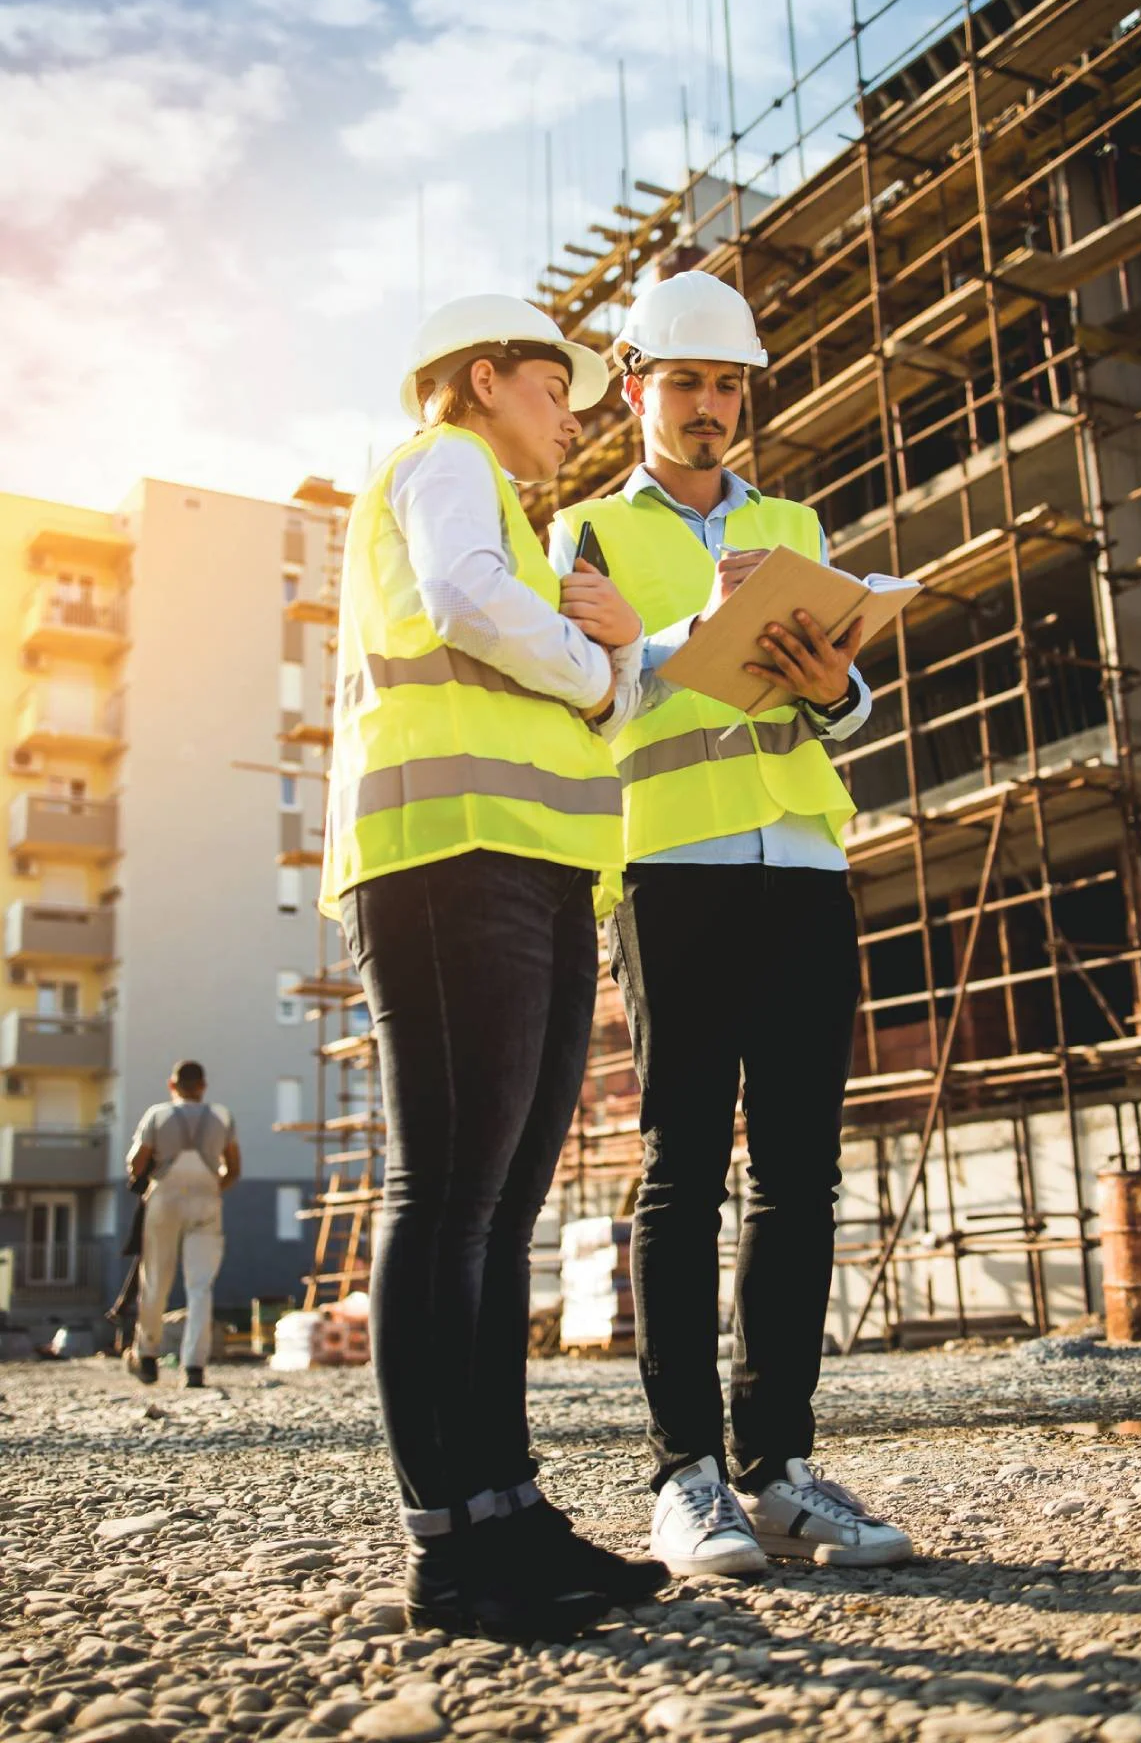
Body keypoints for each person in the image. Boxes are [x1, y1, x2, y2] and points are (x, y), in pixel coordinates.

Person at [549, 269, 913, 1578]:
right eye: (687, 383)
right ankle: (684, 1477)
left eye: (727, 387)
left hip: (806, 859)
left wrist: (840, 688)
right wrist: (675, 643)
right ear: (638, 388)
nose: (709, 408)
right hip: (675, 870)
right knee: (684, 1172)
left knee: (802, 1176)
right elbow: (572, 709)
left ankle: (779, 1470)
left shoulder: (795, 518)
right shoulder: (585, 534)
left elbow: (846, 701)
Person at [319, 294, 667, 1643]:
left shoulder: (519, 525)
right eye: (552, 388)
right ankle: (449, 1545)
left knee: (501, 1205)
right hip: (447, 855)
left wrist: (620, 646)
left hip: (527, 864)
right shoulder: (444, 461)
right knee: (450, 1194)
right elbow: (470, 608)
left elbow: (600, 694)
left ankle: (507, 1511)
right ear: (483, 379)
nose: (569, 416)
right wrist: (596, 663)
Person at [125, 1059, 240, 1390]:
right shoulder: (221, 1117)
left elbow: (137, 1162)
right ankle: (194, 1367)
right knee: (200, 1285)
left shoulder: (157, 1115)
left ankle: (146, 1355)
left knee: (156, 1279)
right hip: (206, 1198)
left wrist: (143, 1177)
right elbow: (233, 1167)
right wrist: (214, 1186)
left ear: (171, 1086)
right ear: (203, 1086)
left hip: (165, 1198)